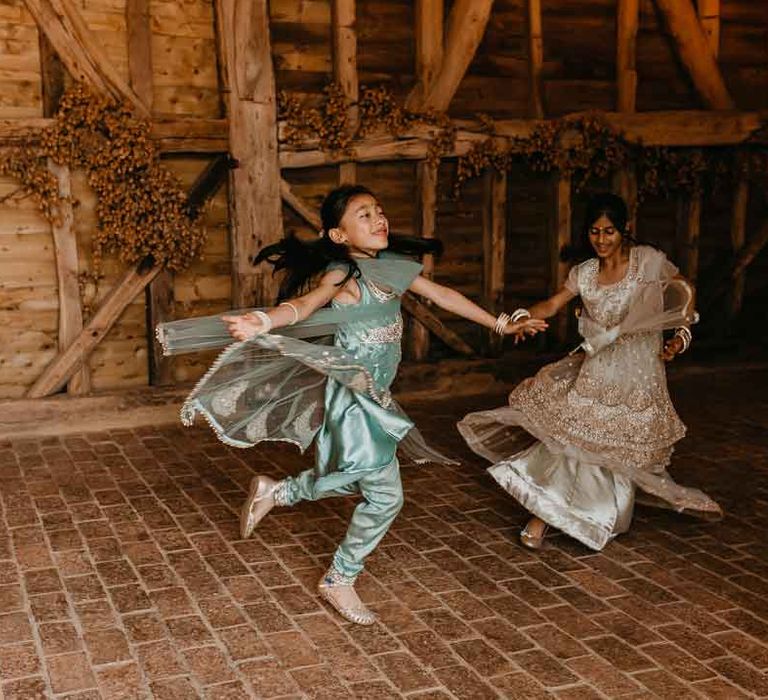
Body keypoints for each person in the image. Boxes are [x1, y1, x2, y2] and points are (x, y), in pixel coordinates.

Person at [172, 184, 546, 625]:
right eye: (364, 214)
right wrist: (264, 319)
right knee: (385, 497)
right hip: (351, 401)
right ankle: (339, 579)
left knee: (350, 482)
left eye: (380, 210)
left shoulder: (391, 269)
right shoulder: (343, 276)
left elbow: (442, 295)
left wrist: (500, 324)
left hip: (377, 398)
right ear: (339, 235)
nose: (378, 219)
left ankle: (278, 491)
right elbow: (304, 306)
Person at [458, 192, 721, 552]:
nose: (601, 239)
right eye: (594, 232)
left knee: (616, 452)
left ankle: (599, 515)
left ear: (624, 230)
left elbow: (683, 288)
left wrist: (682, 335)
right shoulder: (583, 273)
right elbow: (552, 303)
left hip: (638, 375)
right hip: (598, 370)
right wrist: (522, 316)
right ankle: (545, 517)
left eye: (609, 231)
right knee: (573, 444)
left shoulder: (647, 261)